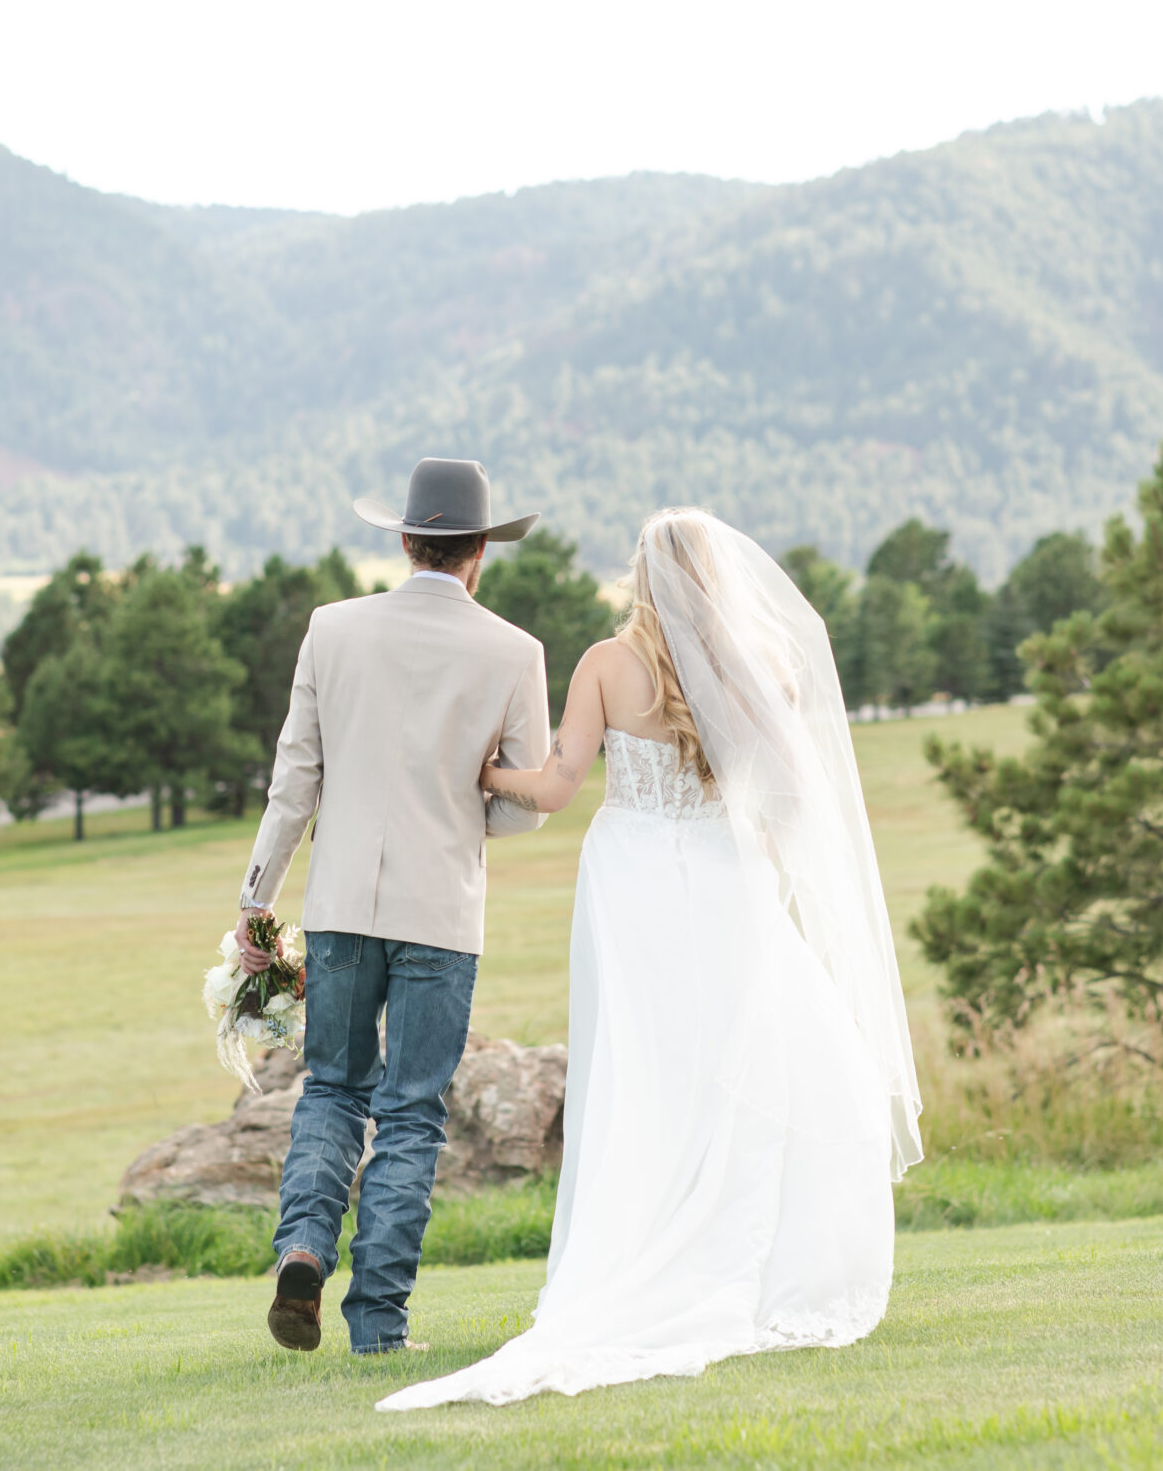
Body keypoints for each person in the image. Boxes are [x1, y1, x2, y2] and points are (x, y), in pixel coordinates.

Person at [378, 507, 922, 1410]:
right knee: (741, 1062)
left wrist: (482, 772)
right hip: (726, 874)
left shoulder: (606, 662)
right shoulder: (763, 667)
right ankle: (749, 1251)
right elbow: (790, 802)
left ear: (641, 573)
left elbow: (553, 785)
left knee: (640, 1069)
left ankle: (643, 1247)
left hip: (630, 882)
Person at [236, 457, 554, 1356]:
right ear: (478, 552)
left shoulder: (330, 630)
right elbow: (521, 805)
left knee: (332, 1087)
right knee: (413, 1111)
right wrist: (470, 805)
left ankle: (302, 1244)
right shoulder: (514, 651)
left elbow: (293, 783)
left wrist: (256, 905)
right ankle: (379, 1324)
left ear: (408, 540)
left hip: (340, 906)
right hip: (442, 914)